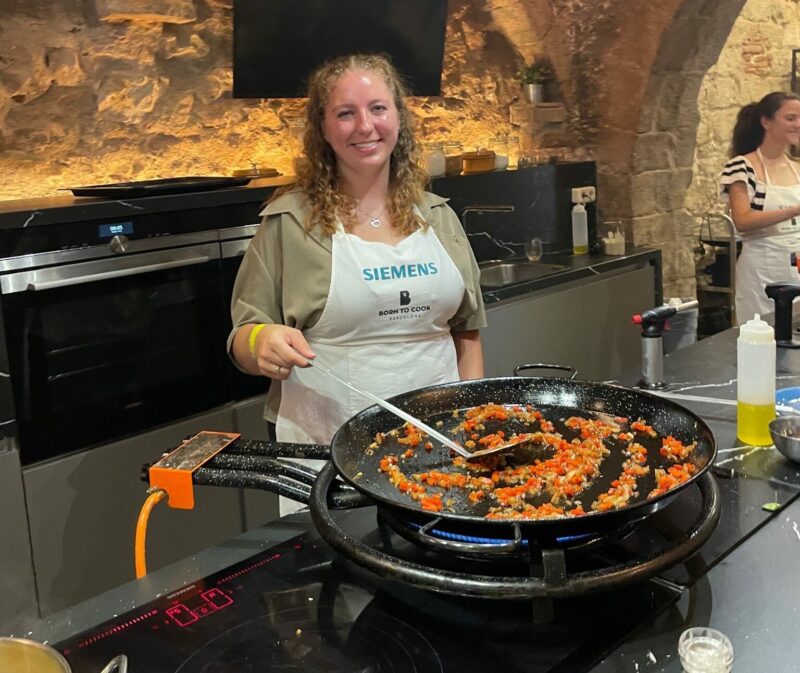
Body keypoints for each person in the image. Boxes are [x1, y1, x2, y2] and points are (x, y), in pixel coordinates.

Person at [227, 54, 486, 513]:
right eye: (346, 113)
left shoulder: (438, 215)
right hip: (329, 451)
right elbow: (242, 339)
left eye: (378, 108)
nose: (365, 125)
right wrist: (260, 340)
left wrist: (476, 424)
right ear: (323, 129)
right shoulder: (289, 223)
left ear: (398, 118)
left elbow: (466, 331)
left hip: (439, 443)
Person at [720, 91, 800, 322]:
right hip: (762, 270)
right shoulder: (742, 167)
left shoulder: (797, 167)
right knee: (762, 331)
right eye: (790, 118)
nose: (798, 124)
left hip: (796, 265)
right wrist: (794, 210)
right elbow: (743, 220)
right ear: (766, 122)